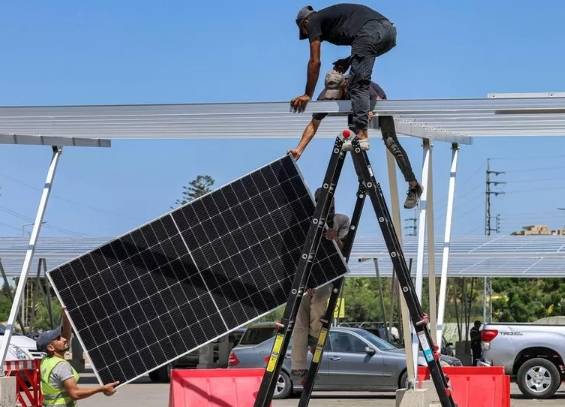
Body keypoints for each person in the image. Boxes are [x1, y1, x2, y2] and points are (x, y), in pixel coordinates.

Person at [289, 59, 423, 209]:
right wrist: (299, 148)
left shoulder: (358, 85)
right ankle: (363, 181)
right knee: (353, 140)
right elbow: (313, 125)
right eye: (331, 94)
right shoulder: (327, 96)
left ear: (344, 85)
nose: (334, 97)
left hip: (375, 103)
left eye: (337, 93)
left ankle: (414, 186)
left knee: (390, 142)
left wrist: (372, 111)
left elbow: (378, 101)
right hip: (356, 111)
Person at [292, 4, 396, 151]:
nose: (310, 35)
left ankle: (362, 135)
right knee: (358, 74)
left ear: (305, 23)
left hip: (371, 30)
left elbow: (315, 61)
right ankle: (362, 129)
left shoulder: (313, 21)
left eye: (306, 32)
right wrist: (349, 60)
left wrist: (307, 94)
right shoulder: (329, 19)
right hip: (388, 33)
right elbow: (366, 46)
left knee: (357, 83)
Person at [291, 189, 350, 382]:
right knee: (299, 319)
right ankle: (299, 367)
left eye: (329, 201)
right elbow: (296, 251)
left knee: (320, 301)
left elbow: (345, 251)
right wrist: (306, 280)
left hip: (327, 274)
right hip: (306, 276)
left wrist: (335, 238)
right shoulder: (304, 222)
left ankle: (315, 338)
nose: (327, 205)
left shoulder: (341, 220)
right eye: (321, 201)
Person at [38, 310, 119, 406]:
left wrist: (65, 315)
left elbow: (66, 336)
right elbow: (75, 393)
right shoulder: (61, 365)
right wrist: (101, 389)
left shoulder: (46, 361)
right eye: (58, 338)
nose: (64, 339)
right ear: (51, 347)